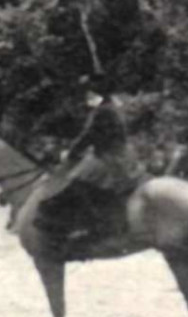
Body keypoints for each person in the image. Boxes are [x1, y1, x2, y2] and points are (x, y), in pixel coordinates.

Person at [34, 73, 136, 251]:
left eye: (91, 94)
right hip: (118, 153)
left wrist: (71, 154)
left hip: (109, 156)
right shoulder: (112, 107)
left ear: (99, 94)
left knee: (76, 182)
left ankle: (90, 226)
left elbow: (88, 135)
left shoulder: (103, 111)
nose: (87, 98)